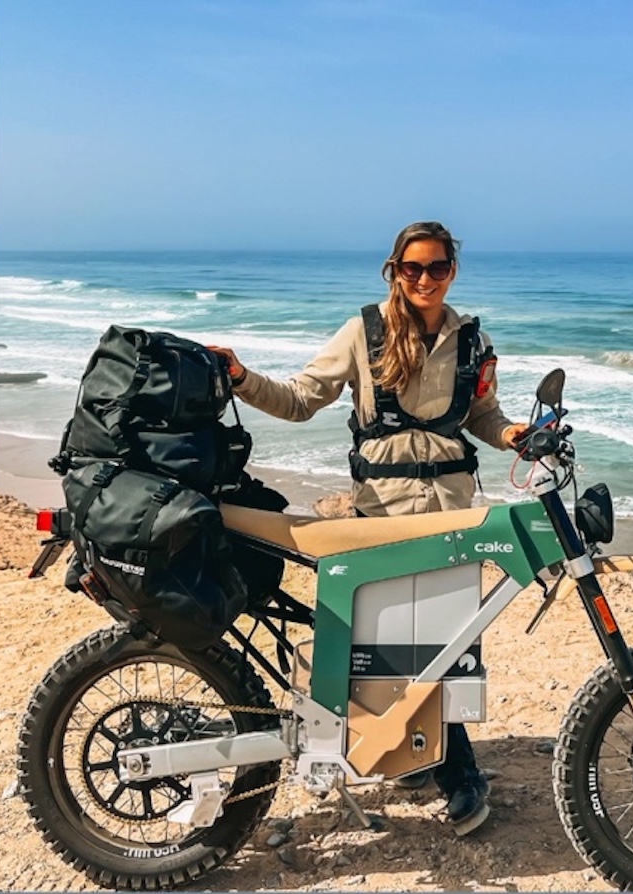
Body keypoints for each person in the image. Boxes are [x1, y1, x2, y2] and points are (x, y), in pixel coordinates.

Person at [209, 220, 528, 836]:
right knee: (391, 643)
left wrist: (513, 434)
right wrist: (244, 378)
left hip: (454, 513)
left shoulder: (471, 341)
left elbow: (483, 415)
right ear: (394, 271)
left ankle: (420, 756)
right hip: (380, 514)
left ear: (452, 270)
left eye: (437, 267)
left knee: (444, 642)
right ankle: (455, 774)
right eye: (412, 268)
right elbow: (302, 398)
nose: (425, 279)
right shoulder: (365, 333)